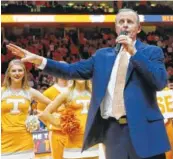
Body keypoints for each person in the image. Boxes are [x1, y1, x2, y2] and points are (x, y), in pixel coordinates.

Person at [7, 8, 170, 159]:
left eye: (130, 21)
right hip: (114, 132)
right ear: (116, 28)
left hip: (146, 131)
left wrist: (134, 52)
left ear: (139, 28)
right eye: (121, 22)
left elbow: (159, 82)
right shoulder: (102, 56)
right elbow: (70, 70)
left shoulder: (151, 52)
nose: (125, 25)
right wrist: (40, 60)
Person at [1, 59, 51, 159]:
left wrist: (38, 113)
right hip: (4, 140)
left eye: (20, 70)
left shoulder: (30, 91)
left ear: (24, 73)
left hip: (25, 139)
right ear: (9, 73)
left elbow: (52, 104)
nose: (17, 73)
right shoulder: (1, 92)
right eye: (14, 71)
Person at [38, 80, 100, 159]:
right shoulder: (66, 93)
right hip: (72, 145)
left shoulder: (94, 91)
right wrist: (62, 125)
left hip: (91, 143)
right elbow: (46, 113)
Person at [37, 77, 71, 159]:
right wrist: (51, 124)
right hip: (57, 133)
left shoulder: (74, 90)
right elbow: (40, 113)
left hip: (74, 132)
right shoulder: (48, 92)